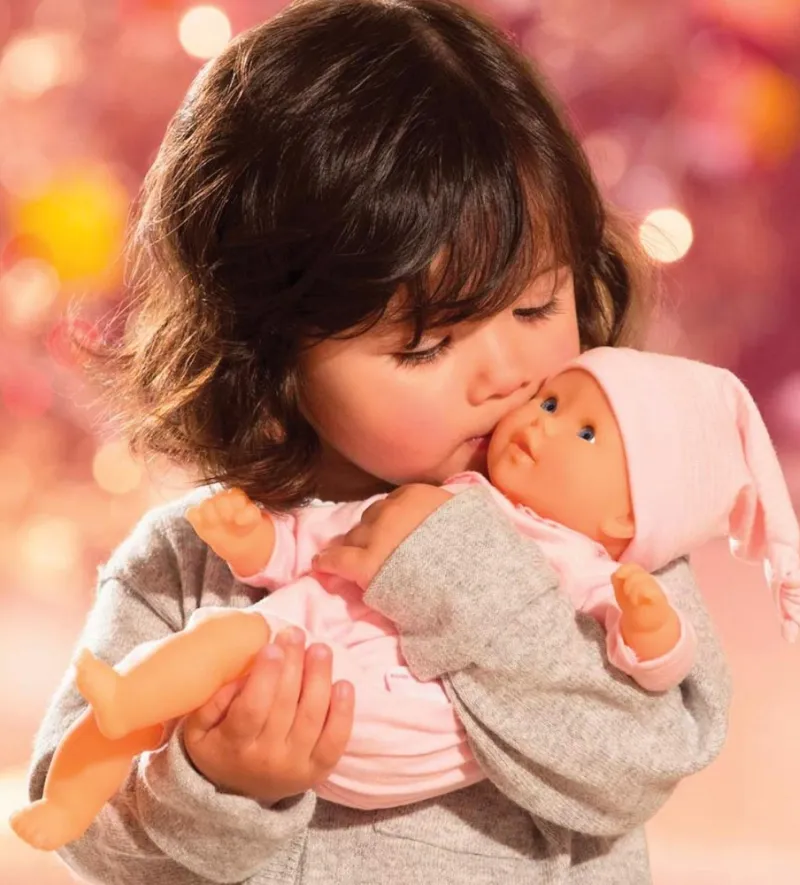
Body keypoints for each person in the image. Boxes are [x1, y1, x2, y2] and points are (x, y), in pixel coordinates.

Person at [25, 1, 731, 882]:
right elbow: (87, 828)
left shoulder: (602, 528)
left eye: (536, 306)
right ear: (269, 355)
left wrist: (461, 579)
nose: (506, 375)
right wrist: (215, 785)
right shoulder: (192, 559)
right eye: (427, 345)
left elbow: (639, 765)